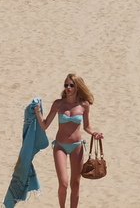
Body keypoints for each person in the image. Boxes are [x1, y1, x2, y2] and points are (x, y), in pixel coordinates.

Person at [34, 74, 103, 208]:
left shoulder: (84, 105)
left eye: (71, 85)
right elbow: (45, 125)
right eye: (66, 85)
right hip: (60, 146)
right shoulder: (58, 104)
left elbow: (87, 126)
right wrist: (37, 111)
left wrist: (95, 133)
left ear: (77, 86)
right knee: (63, 183)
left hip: (77, 146)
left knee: (75, 184)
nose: (68, 88)